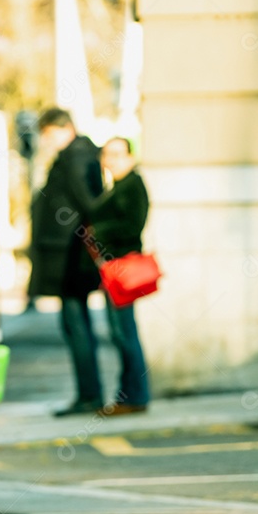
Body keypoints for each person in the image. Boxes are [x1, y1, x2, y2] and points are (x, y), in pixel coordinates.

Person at [28, 108, 105, 416]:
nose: (46, 141)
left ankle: (89, 396)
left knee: (76, 327)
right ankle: (89, 394)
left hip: (69, 257)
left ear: (62, 129)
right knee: (76, 326)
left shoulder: (74, 158)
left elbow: (88, 203)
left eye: (47, 134)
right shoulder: (79, 155)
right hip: (68, 255)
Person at [88, 137, 151, 415]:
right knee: (121, 333)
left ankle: (135, 396)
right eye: (106, 154)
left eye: (116, 154)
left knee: (125, 333)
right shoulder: (117, 186)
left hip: (123, 267)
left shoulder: (132, 185)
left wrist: (98, 232)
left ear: (130, 156)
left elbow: (132, 225)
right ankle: (129, 396)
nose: (110, 160)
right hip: (113, 268)